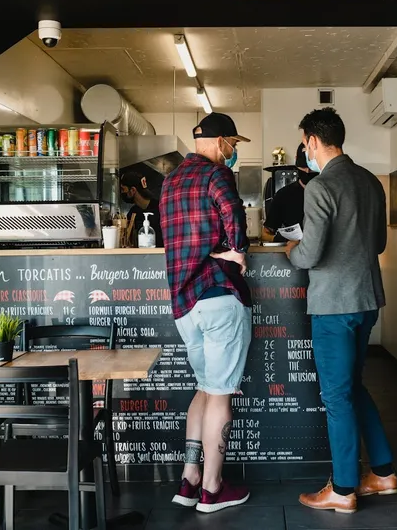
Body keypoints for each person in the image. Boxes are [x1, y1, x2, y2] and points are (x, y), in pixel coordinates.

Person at [286, 107, 397, 514]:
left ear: (312, 141)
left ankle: (344, 488)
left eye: (304, 142)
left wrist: (291, 251)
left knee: (336, 396)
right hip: (367, 302)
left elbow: (311, 253)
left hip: (334, 306)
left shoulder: (320, 187)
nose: (305, 149)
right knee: (354, 386)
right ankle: (383, 473)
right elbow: (379, 244)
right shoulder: (370, 182)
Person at [159, 112, 252, 514]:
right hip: (217, 296)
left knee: (203, 387)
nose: (232, 153)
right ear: (219, 143)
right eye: (232, 145)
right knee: (219, 393)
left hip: (184, 305)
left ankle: (190, 478)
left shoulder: (169, 180)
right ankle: (212, 489)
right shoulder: (217, 175)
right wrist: (238, 249)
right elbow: (234, 214)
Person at [262, 142, 319, 242]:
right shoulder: (283, 196)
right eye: (303, 166)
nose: (307, 171)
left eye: (311, 168)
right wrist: (278, 239)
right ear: (296, 161)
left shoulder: (328, 194)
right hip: (292, 254)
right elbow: (265, 233)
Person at [120, 170, 164, 247]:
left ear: (133, 190)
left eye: (123, 189)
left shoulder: (161, 209)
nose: (122, 192)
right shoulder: (132, 213)